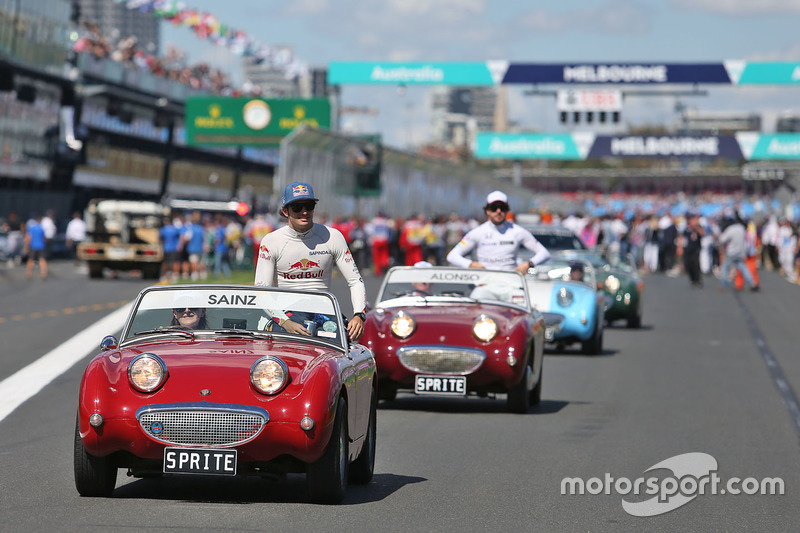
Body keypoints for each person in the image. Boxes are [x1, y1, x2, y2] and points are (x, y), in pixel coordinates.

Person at [254, 182, 367, 341]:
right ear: (285, 211)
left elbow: (355, 280)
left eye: (309, 205)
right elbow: (261, 292)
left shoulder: (333, 236)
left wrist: (359, 315)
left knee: (345, 344)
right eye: (297, 208)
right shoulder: (271, 241)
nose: (304, 212)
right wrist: (285, 322)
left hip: (323, 311)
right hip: (287, 313)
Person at [446, 190, 550, 274]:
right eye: (494, 208)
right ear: (487, 210)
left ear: (507, 210)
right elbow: (452, 256)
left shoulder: (518, 231)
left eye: (502, 208)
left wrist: (529, 264)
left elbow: (544, 253)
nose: (498, 211)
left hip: (511, 281)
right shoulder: (477, 232)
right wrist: (470, 264)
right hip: (485, 282)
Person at [718, 214, 759, 292]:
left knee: (725, 267)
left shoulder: (731, 229)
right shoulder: (742, 229)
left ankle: (723, 284)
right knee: (744, 268)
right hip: (741, 252)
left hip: (731, 252)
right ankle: (752, 283)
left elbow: (722, 239)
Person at [683, 212, 704, 287]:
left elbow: (702, 233)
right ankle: (692, 279)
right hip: (688, 248)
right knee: (689, 265)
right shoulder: (687, 228)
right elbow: (683, 237)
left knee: (695, 265)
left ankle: (697, 279)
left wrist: (696, 227)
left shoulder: (698, 227)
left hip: (695, 249)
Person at [25, 212, 48, 280]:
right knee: (42, 259)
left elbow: (28, 237)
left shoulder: (31, 228)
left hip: (33, 245)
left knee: (30, 259)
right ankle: (43, 273)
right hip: (41, 246)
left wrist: (27, 246)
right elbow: (44, 238)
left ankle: (28, 273)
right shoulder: (41, 228)